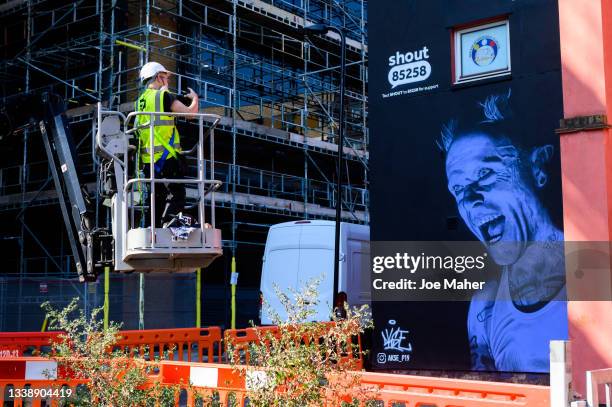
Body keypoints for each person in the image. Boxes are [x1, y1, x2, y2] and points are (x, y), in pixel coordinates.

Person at [439, 90, 568, 372]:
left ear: (537, 167)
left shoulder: (598, 273)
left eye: (484, 174)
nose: (469, 200)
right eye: (458, 189)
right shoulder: (483, 307)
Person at [135, 61, 199, 227]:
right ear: (158, 77)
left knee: (156, 197)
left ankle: (152, 229)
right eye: (165, 77)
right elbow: (191, 114)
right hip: (167, 157)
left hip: (149, 161)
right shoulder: (163, 97)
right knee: (176, 194)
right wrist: (194, 99)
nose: (168, 81)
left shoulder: (140, 101)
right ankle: (167, 227)